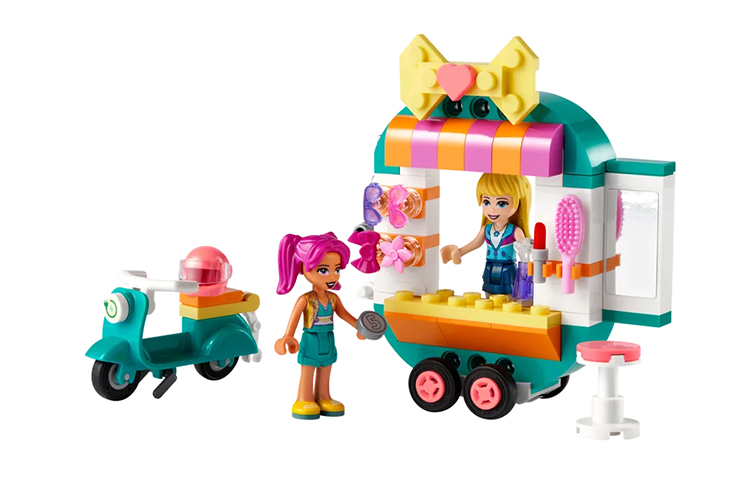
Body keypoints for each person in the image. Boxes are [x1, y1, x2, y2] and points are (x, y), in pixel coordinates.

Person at [274, 232, 364, 420]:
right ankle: (303, 399)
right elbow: (294, 320)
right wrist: (287, 337)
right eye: (323, 270)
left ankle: (323, 397)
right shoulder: (305, 299)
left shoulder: (333, 298)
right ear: (303, 267)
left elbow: (344, 314)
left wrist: (360, 327)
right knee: (308, 369)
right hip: (311, 339)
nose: (332, 276)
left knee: (326, 368)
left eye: (337, 269)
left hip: (328, 338)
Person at [440, 174, 531, 297]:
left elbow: (525, 253)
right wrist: (458, 252)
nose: (492, 210)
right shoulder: (486, 230)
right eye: (487, 202)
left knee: (508, 297)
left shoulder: (515, 231)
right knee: (489, 295)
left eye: (501, 203)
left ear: (518, 202)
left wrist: (528, 268)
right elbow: (475, 244)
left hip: (507, 270)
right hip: (489, 268)